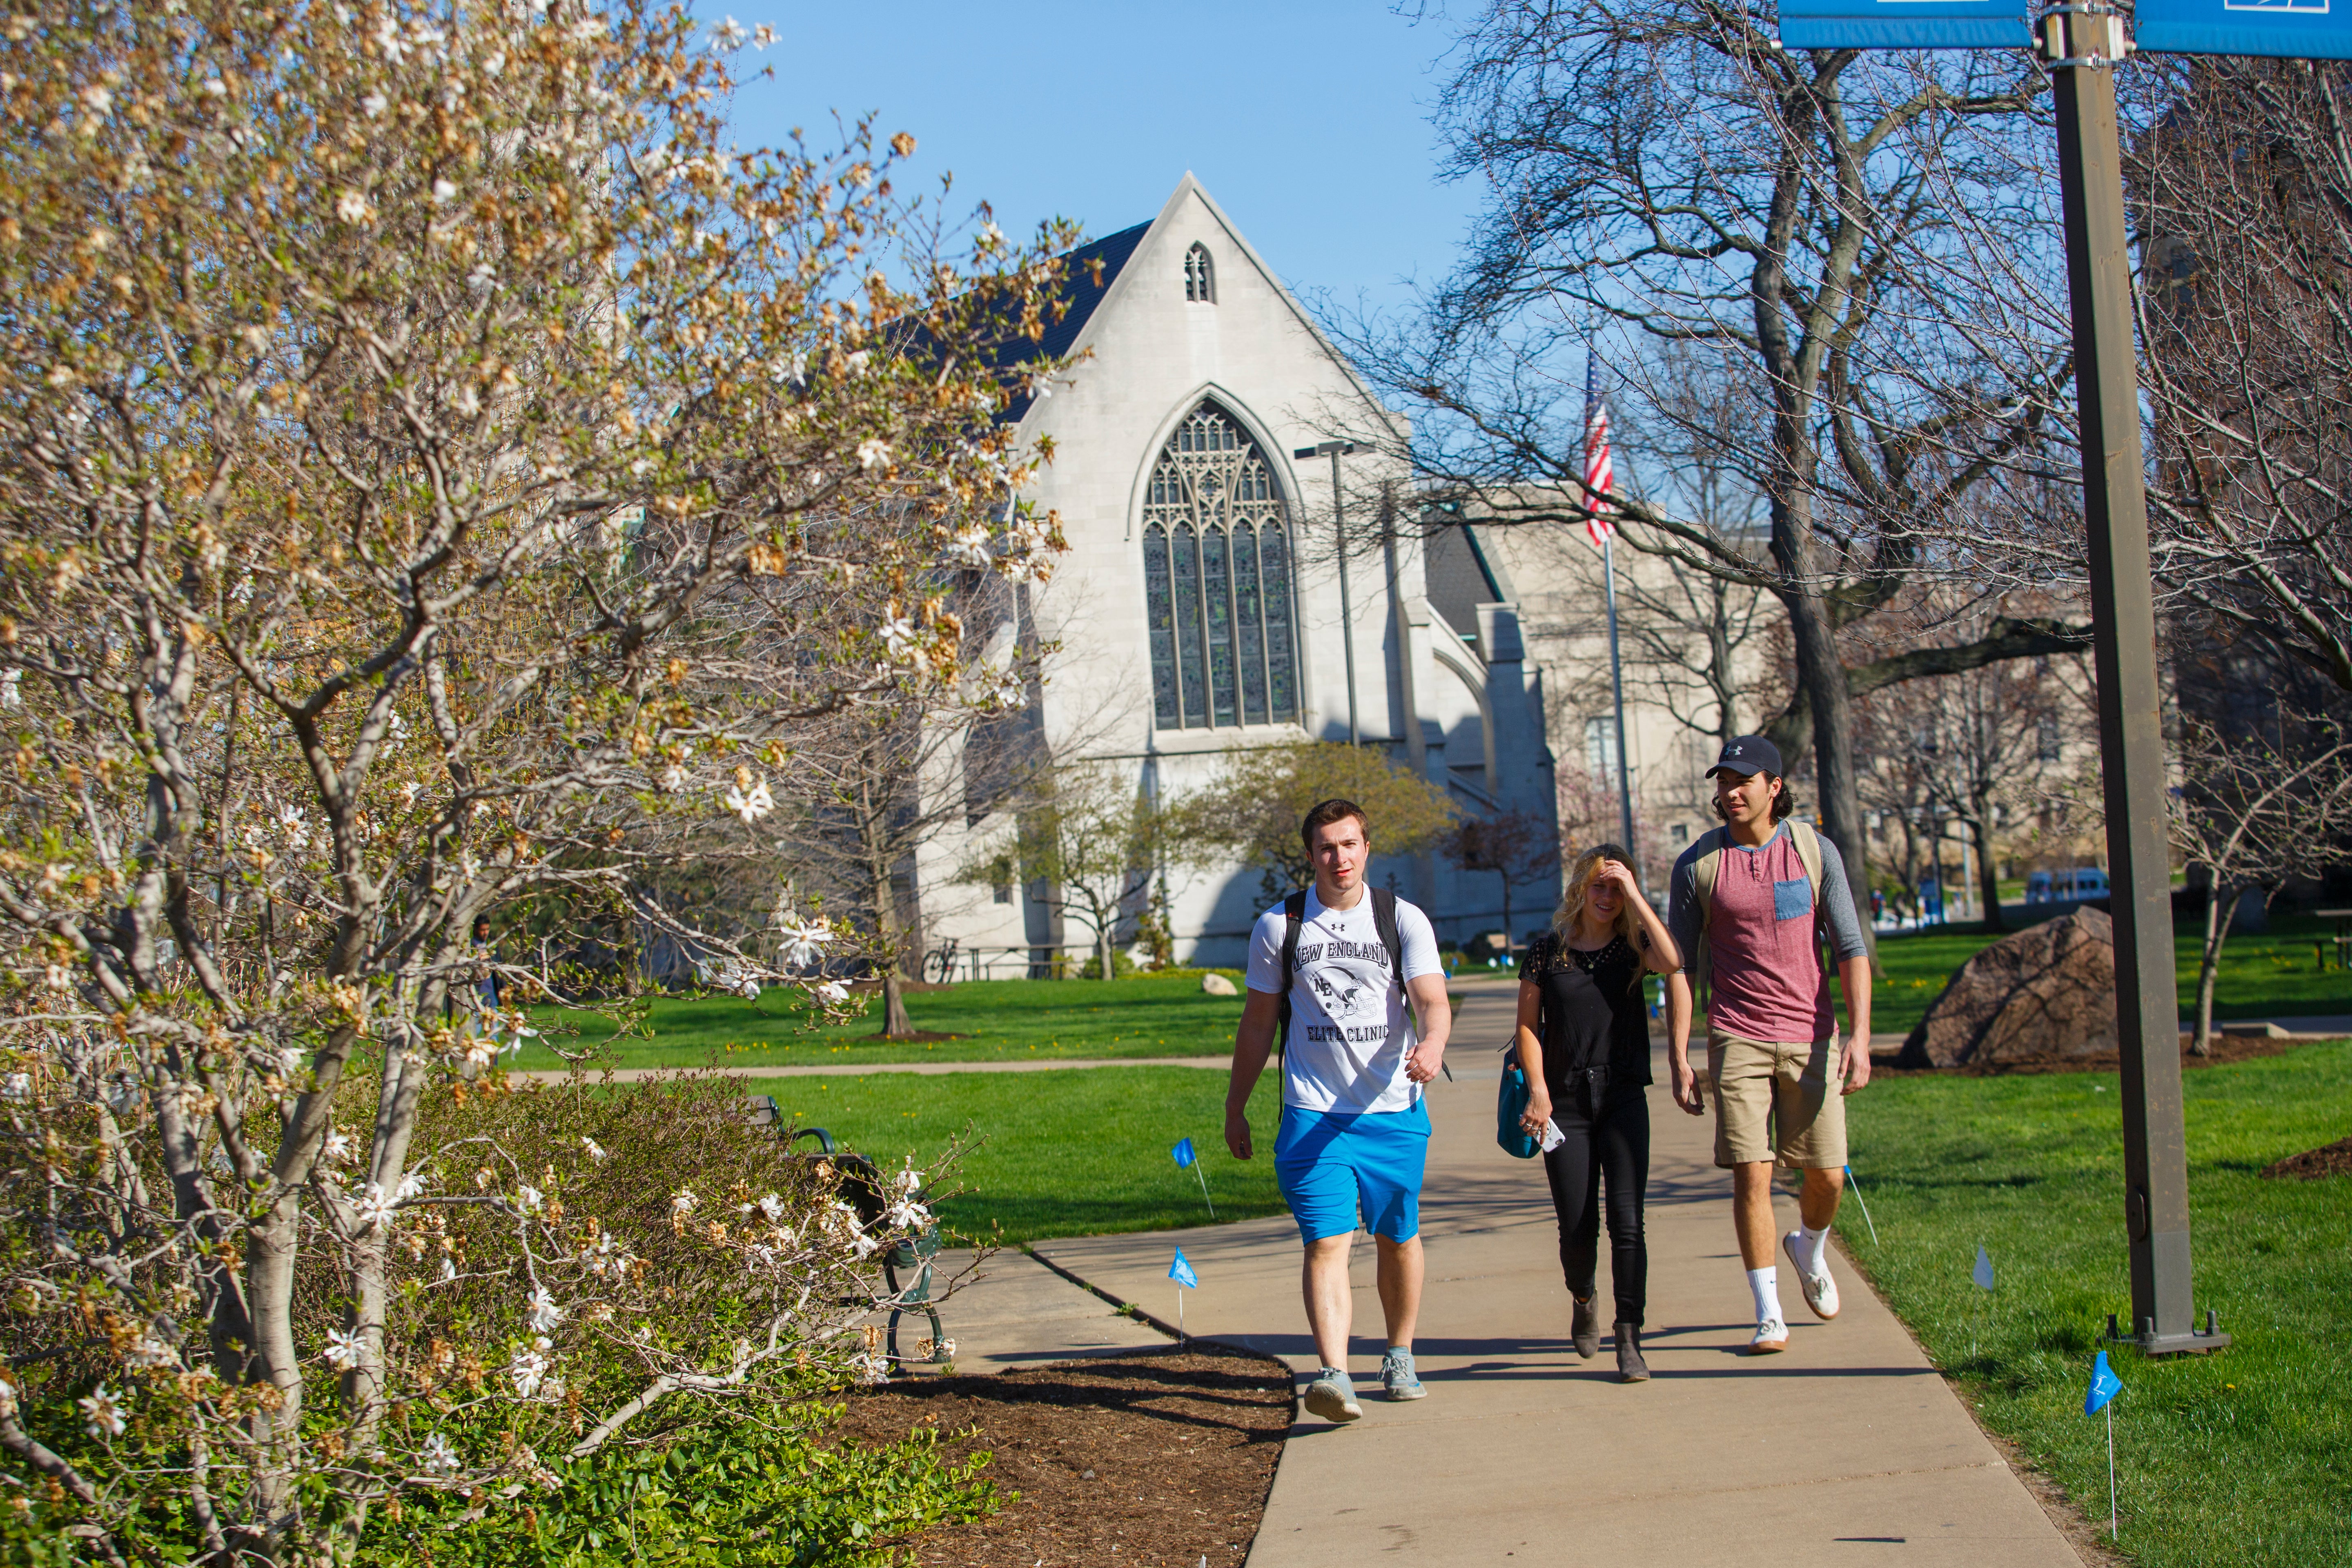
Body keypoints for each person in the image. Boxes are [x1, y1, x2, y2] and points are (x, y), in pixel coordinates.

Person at [1225, 799, 1452, 1422]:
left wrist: (1432, 1045)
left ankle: (1399, 1354)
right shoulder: (1280, 925)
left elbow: (1432, 1001)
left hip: (1392, 1109)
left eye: (1349, 844)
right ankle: (1334, 1375)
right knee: (1327, 1242)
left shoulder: (1401, 918)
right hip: (1312, 1112)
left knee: (1397, 1237)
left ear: (1367, 848)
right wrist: (1236, 1106)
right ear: (1310, 855)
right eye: (1327, 847)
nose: (1340, 857)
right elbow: (1257, 1023)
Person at [1665, 736, 1872, 1354]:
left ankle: (1808, 1244)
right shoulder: (1698, 865)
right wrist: (1679, 1057)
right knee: (1751, 1176)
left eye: (1743, 781)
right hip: (1737, 1036)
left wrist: (1860, 1038)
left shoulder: (1814, 851)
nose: (1730, 793)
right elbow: (1683, 969)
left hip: (1812, 1035)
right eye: (1723, 782)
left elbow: (1851, 948)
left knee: (1827, 1175)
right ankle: (1768, 1311)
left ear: (1773, 787)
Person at [1511, 844, 1688, 1383]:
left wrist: (1636, 892)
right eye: (1599, 886)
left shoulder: (1636, 948)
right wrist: (1537, 1090)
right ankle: (1583, 1295)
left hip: (1624, 1097)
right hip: (1564, 1104)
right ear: (1579, 890)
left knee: (1628, 1224)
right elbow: (1526, 1026)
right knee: (1576, 1225)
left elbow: (1674, 961)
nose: (1608, 897)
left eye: (1617, 888)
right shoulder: (1548, 952)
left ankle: (1628, 1335)